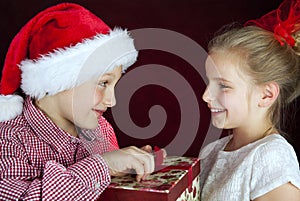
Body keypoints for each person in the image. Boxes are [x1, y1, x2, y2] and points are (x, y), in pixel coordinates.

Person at [0, 3, 158, 200]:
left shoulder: (101, 129)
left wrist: (132, 163)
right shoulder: (9, 140)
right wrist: (102, 165)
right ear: (58, 80)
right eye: (103, 83)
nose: (112, 101)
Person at [200, 0, 300, 200]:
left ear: (266, 95)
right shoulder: (211, 151)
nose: (205, 96)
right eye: (208, 82)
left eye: (223, 86)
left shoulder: (272, 157)